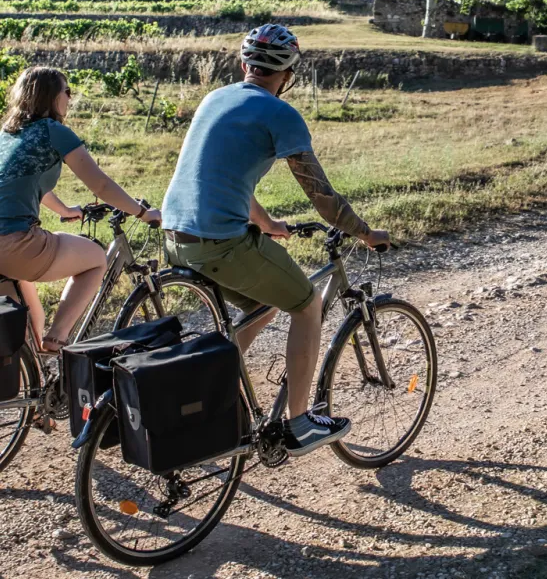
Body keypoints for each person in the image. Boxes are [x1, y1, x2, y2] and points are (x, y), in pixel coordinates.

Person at [162, 23, 390, 456]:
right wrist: (365, 232)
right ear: (288, 74)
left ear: (244, 64)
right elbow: (322, 198)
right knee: (305, 305)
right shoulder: (280, 114)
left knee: (262, 307)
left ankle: (210, 392)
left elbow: (222, 176)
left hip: (175, 237)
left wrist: (265, 223)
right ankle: (300, 424)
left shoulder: (216, 98)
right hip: (220, 243)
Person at [0, 66, 161, 352]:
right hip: (14, 243)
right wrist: (142, 212)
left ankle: (34, 383)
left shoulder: (8, 134)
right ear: (50, 96)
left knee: (28, 327)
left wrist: (62, 208)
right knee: (96, 258)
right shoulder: (54, 131)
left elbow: (23, 181)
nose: (70, 98)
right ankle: (57, 341)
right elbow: (100, 186)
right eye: (67, 91)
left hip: (6, 247)